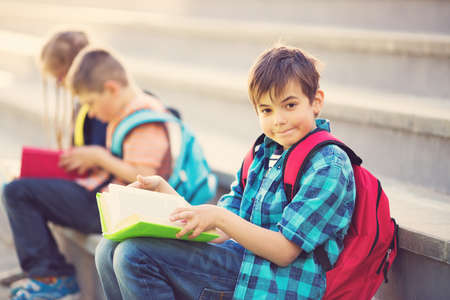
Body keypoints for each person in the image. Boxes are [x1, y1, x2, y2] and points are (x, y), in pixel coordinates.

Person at [95, 45, 356, 299]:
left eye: (289, 105)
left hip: (277, 282)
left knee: (135, 255)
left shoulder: (328, 165)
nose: (278, 120)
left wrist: (219, 216)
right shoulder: (264, 153)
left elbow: (284, 251)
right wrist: (168, 197)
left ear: (316, 102)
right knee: (107, 249)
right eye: (266, 110)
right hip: (243, 264)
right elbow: (218, 232)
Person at [2, 47, 172, 300]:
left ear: (112, 89)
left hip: (114, 208)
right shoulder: (126, 112)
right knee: (20, 186)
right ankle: (49, 273)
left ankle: (52, 276)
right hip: (106, 199)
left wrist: (99, 157)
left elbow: (145, 176)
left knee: (18, 192)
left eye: (91, 103)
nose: (90, 112)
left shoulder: (143, 117)